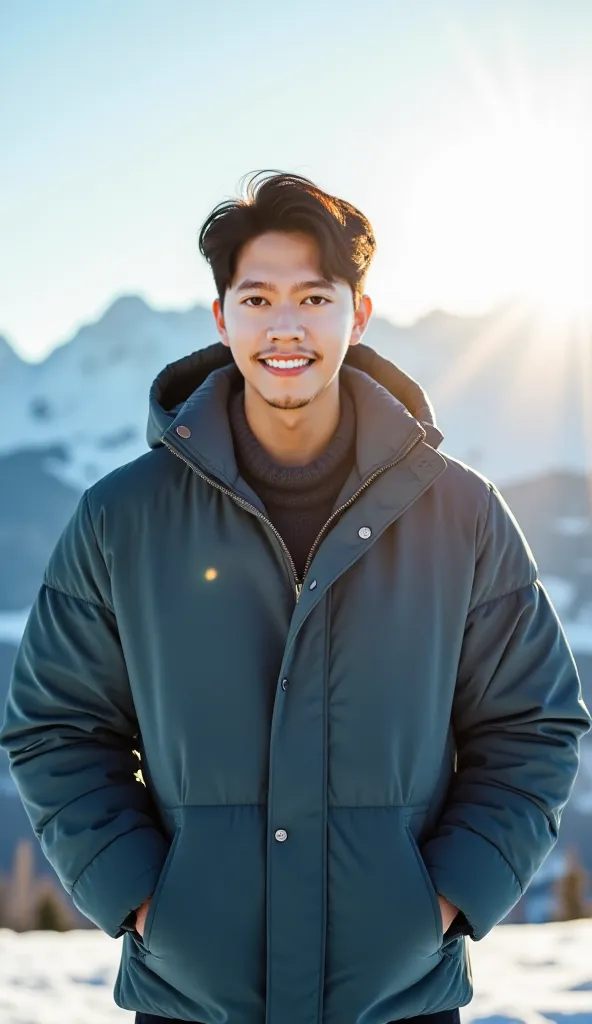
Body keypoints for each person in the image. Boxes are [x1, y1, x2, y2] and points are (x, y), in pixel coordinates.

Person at [1, 170, 590, 1024]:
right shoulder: (121, 517)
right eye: (258, 297)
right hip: (193, 1001)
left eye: (315, 297)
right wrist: (145, 904)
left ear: (358, 313)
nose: (286, 326)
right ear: (221, 318)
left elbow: (534, 725)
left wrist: (445, 903)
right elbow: (56, 726)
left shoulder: (461, 514)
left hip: (399, 1001)